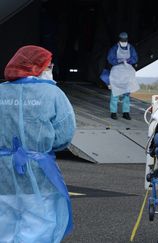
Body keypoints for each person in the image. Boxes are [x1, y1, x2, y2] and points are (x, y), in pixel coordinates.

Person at [0, 45, 76, 242]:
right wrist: (40, 148)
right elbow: (64, 134)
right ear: (37, 67)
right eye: (48, 66)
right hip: (39, 170)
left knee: (4, 222)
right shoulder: (52, 94)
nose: (50, 70)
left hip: (2, 173)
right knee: (39, 224)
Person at [107, 32, 139, 120]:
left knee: (127, 93)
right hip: (117, 72)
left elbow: (135, 58)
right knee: (115, 93)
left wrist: (128, 61)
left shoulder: (131, 48)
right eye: (122, 40)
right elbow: (110, 58)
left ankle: (126, 112)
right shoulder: (114, 48)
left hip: (127, 72)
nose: (124, 41)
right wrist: (118, 61)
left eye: (125, 40)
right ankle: (113, 112)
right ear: (120, 39)